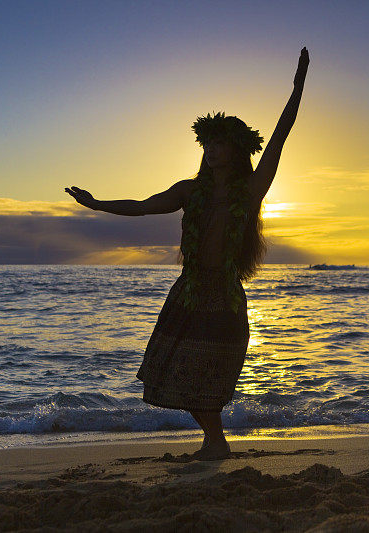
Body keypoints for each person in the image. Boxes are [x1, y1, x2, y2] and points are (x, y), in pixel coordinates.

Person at [65, 46, 309, 460]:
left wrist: (298, 82)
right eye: (207, 143)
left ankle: (215, 442)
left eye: (219, 143)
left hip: (225, 293)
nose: (211, 150)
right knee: (171, 365)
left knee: (212, 372)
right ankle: (214, 441)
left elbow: (282, 133)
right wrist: (99, 204)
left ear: (236, 149)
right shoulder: (188, 191)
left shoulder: (250, 192)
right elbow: (143, 205)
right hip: (189, 290)